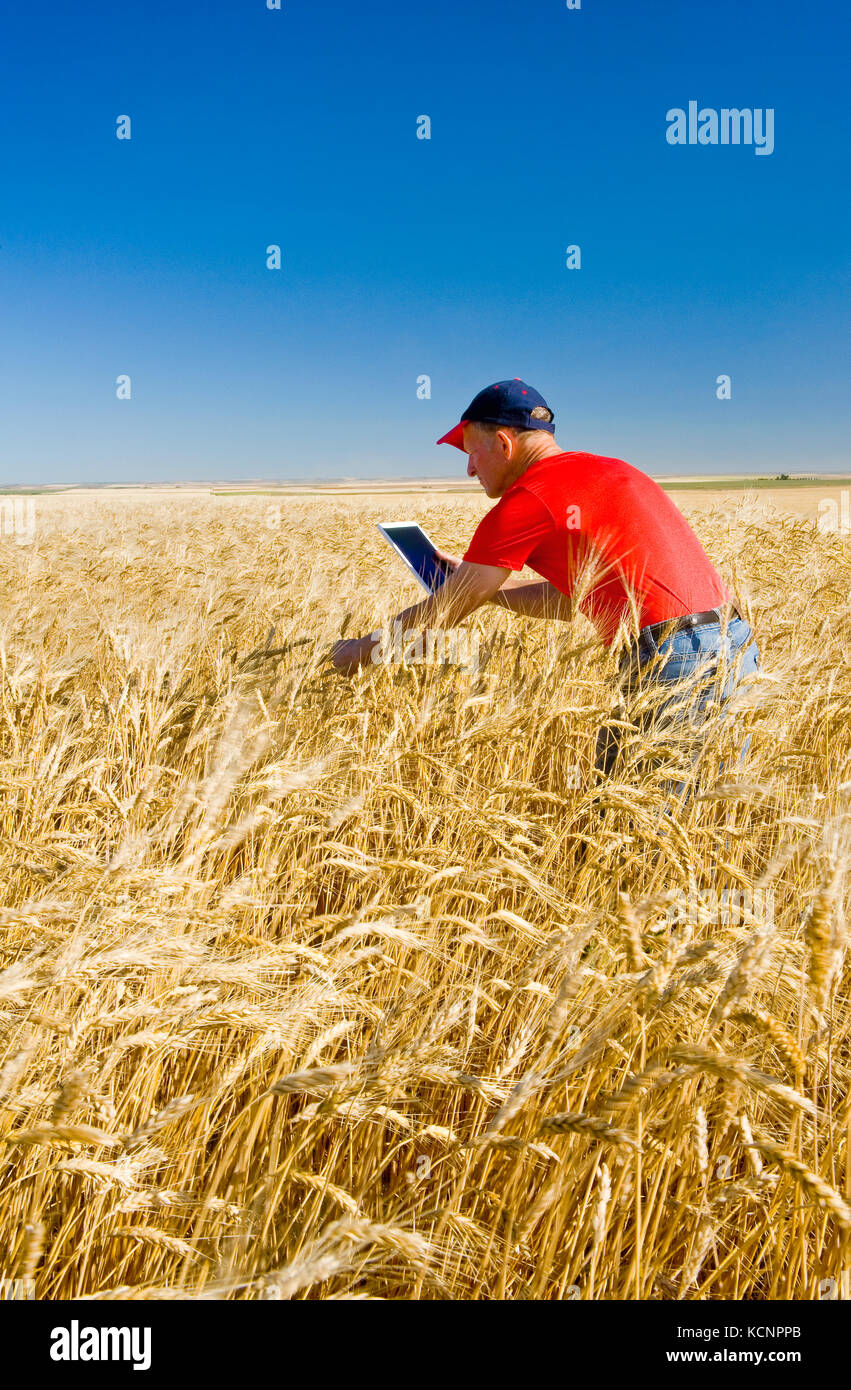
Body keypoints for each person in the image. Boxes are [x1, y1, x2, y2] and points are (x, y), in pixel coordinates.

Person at [330, 379, 758, 781]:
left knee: (633, 830)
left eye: (472, 452)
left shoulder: (528, 498)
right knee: (708, 814)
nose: (469, 470)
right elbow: (572, 600)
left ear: (503, 443)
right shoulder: (612, 469)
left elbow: (443, 613)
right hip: (734, 642)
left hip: (674, 660)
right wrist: (487, 589)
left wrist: (357, 652)